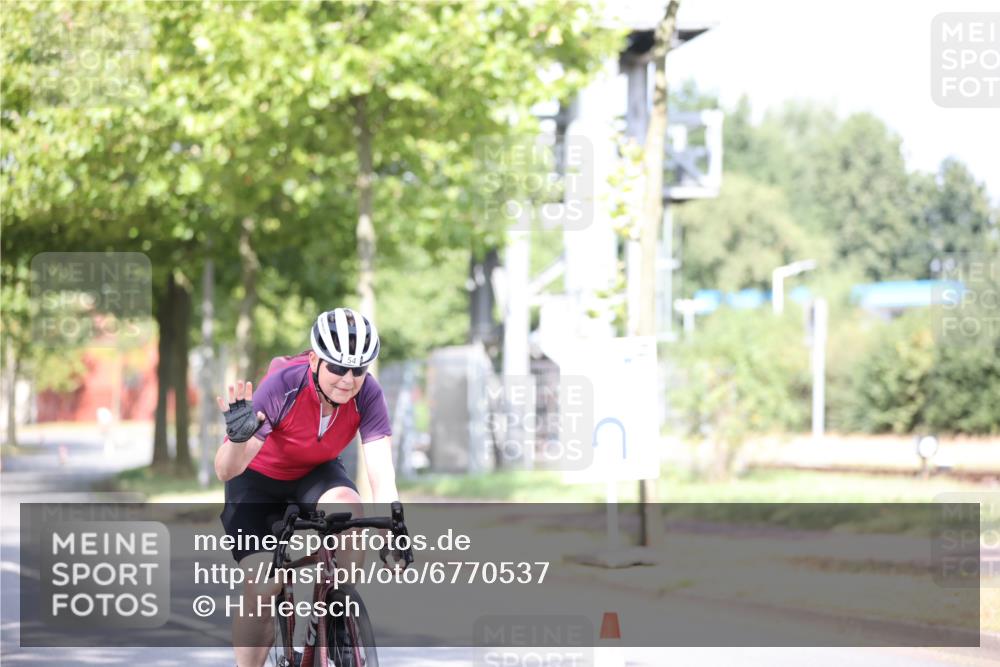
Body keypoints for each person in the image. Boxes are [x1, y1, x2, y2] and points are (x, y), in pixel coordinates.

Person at [215, 307, 399, 667]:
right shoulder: (283, 386)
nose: (348, 379)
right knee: (264, 587)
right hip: (256, 482)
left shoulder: (368, 395)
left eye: (359, 369)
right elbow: (226, 470)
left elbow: (381, 470)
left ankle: (336, 612)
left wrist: (395, 528)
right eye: (337, 367)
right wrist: (238, 440)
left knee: (350, 509)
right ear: (315, 360)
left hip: (314, 474)